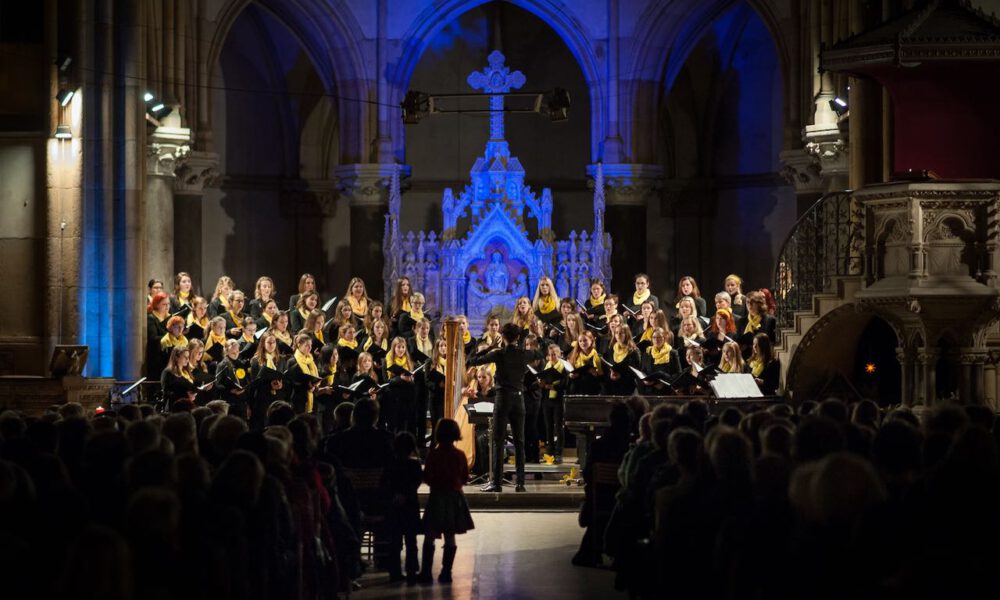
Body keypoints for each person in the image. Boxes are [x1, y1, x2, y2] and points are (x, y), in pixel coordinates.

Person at [466, 322, 528, 492]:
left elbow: (472, 360)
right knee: (519, 442)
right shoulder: (524, 354)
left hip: (503, 399)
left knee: (498, 440)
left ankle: (497, 483)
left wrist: (490, 347)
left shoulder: (499, 353)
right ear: (517, 337)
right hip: (519, 399)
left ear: (503, 336)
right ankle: (520, 483)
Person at [419, 418, 475, 585]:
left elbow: (427, 476)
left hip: (437, 497)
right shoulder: (460, 455)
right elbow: (465, 477)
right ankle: (446, 572)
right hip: (454, 498)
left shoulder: (434, 454)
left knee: (430, 536)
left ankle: (426, 572)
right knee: (450, 536)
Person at [386, 432, 423, 584]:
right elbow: (416, 483)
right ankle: (412, 570)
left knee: (394, 541)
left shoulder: (390, 464)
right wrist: (405, 494)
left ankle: (394, 572)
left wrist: (394, 495)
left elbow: (385, 483)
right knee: (411, 540)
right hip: (410, 505)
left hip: (393, 506)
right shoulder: (415, 464)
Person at [538, 344, 568, 463]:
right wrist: (542, 384)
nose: (552, 357)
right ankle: (549, 451)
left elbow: (565, 384)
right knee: (548, 426)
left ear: (559, 354)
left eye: (554, 354)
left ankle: (559, 452)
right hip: (547, 400)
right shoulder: (547, 366)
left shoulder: (563, 367)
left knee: (558, 427)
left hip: (558, 399)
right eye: (550, 355)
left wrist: (554, 386)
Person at [145, 292, 171, 378]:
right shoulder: (151, 318)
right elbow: (153, 338)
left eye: (168, 304)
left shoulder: (170, 318)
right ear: (157, 305)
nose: (167, 306)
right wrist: (171, 336)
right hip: (157, 357)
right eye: (164, 304)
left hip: (169, 356)